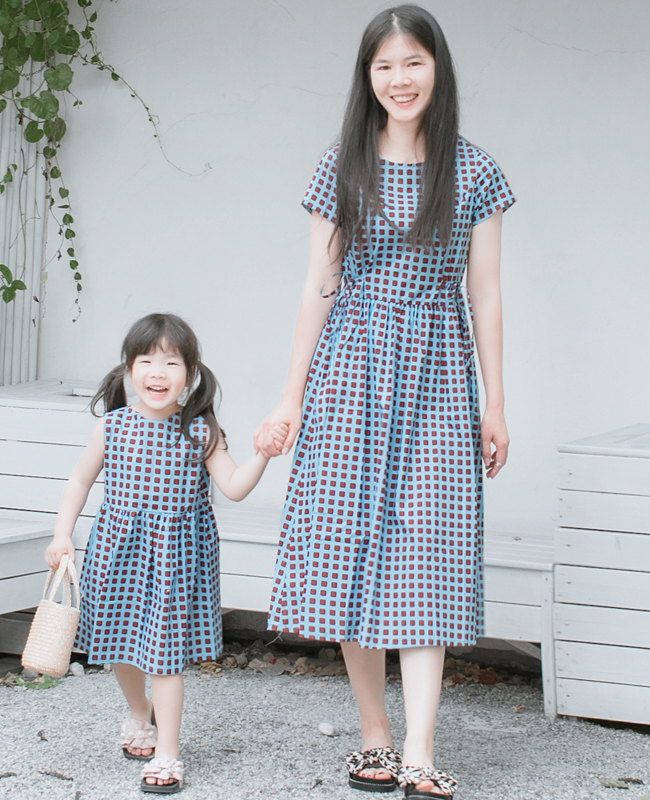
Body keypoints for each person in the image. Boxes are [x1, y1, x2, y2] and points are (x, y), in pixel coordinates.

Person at [254, 5, 515, 798]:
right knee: (347, 551)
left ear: (438, 69)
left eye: (414, 63)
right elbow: (316, 285)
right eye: (384, 67)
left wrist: (495, 406)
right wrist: (291, 397)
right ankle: (375, 734)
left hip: (439, 375)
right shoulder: (343, 165)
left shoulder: (474, 173)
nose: (400, 80)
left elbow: (487, 296)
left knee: (426, 555)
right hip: (351, 372)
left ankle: (423, 748)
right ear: (367, 78)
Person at [46, 313, 286, 795]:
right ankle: (140, 713)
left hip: (176, 560)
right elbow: (79, 481)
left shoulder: (200, 431)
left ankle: (168, 753)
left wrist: (263, 452)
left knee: (164, 658)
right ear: (128, 369)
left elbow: (235, 487)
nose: (158, 371)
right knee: (115, 642)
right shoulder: (112, 427)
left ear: (191, 372)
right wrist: (62, 534)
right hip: (118, 552)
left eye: (171, 361)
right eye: (146, 360)